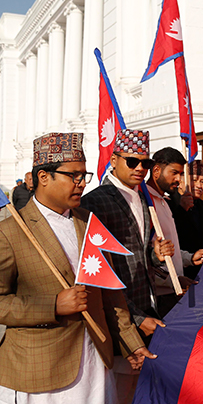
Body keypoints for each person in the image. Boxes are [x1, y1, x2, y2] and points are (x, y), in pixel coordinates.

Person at [0, 132, 155, 404]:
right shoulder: (8, 233)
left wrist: (131, 342)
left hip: (94, 366)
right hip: (40, 372)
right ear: (43, 177)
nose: (81, 183)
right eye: (73, 176)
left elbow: (109, 291)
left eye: (84, 175)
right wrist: (53, 305)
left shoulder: (88, 222)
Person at [81, 129, 172, 338]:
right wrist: (135, 317)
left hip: (147, 303)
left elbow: (137, 253)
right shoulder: (95, 202)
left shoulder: (143, 198)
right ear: (114, 160)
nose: (140, 168)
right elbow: (99, 270)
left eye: (146, 163)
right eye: (132, 162)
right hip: (118, 317)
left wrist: (154, 255)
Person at [145, 148, 203, 316]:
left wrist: (189, 258)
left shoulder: (164, 202)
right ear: (156, 171)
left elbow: (169, 249)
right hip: (158, 297)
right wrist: (171, 281)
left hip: (173, 292)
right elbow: (145, 256)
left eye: (180, 174)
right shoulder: (145, 202)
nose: (179, 180)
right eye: (174, 173)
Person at [170, 160, 203, 280]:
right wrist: (182, 209)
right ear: (181, 182)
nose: (199, 186)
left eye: (202, 182)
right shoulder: (168, 203)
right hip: (176, 272)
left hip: (201, 272)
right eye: (194, 180)